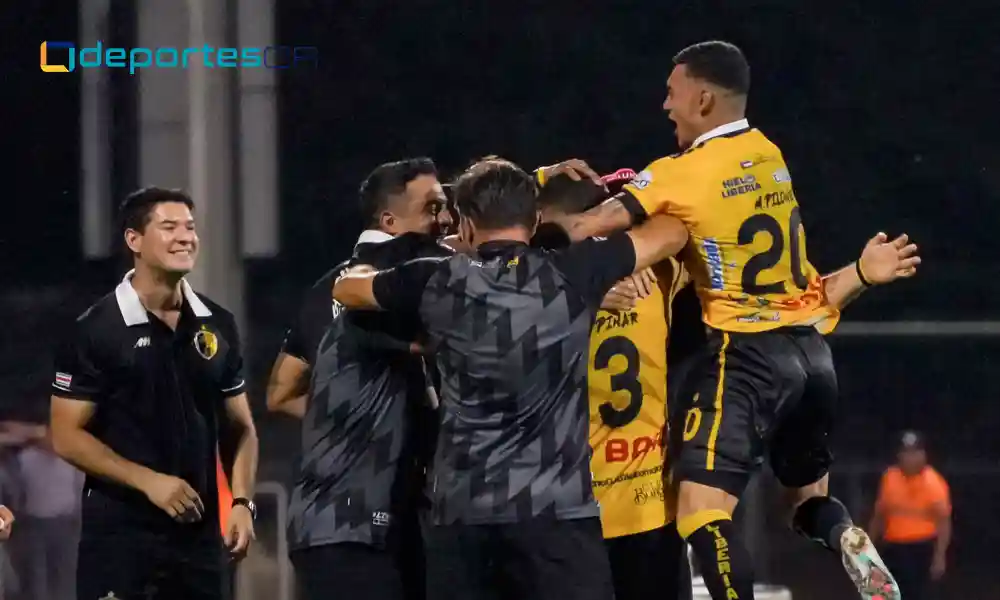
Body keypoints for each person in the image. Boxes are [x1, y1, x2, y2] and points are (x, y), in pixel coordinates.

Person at [559, 41, 921, 600]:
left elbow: (585, 228)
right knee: (805, 502)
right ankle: (844, 533)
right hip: (813, 353)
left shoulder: (679, 173)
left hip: (746, 355)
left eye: (672, 93)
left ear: (702, 98)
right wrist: (864, 274)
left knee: (700, 512)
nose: (664, 106)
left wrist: (527, 217)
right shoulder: (769, 154)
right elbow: (794, 289)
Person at [332, 157, 690, 600]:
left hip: (462, 520)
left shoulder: (435, 278)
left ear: (464, 226)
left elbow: (347, 286)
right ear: (536, 220)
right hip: (554, 519)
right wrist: (572, 232)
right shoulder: (573, 273)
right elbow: (673, 230)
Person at [49, 187, 259, 600]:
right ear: (134, 240)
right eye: (169, 227)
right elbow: (66, 435)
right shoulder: (95, 329)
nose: (186, 237)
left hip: (198, 543)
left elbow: (242, 429)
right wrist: (147, 481)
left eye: (190, 227)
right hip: (121, 539)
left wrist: (242, 502)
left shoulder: (217, 324)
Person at [282, 157, 455, 600]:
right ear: (389, 221)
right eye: (434, 208)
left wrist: (350, 423)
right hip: (353, 523)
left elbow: (282, 391)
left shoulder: (323, 288)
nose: (446, 218)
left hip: (359, 517)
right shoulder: (402, 272)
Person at [535, 169, 693, 600]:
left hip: (569, 509)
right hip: (648, 503)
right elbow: (680, 225)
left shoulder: (529, 291)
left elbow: (479, 237)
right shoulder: (657, 275)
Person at [869, 431, 951, 600]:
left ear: (924, 455)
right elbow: (879, 514)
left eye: (915, 452)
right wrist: (869, 546)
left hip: (921, 549)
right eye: (906, 452)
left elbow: (944, 523)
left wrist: (939, 556)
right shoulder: (889, 478)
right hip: (893, 547)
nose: (911, 458)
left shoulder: (935, 483)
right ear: (899, 455)